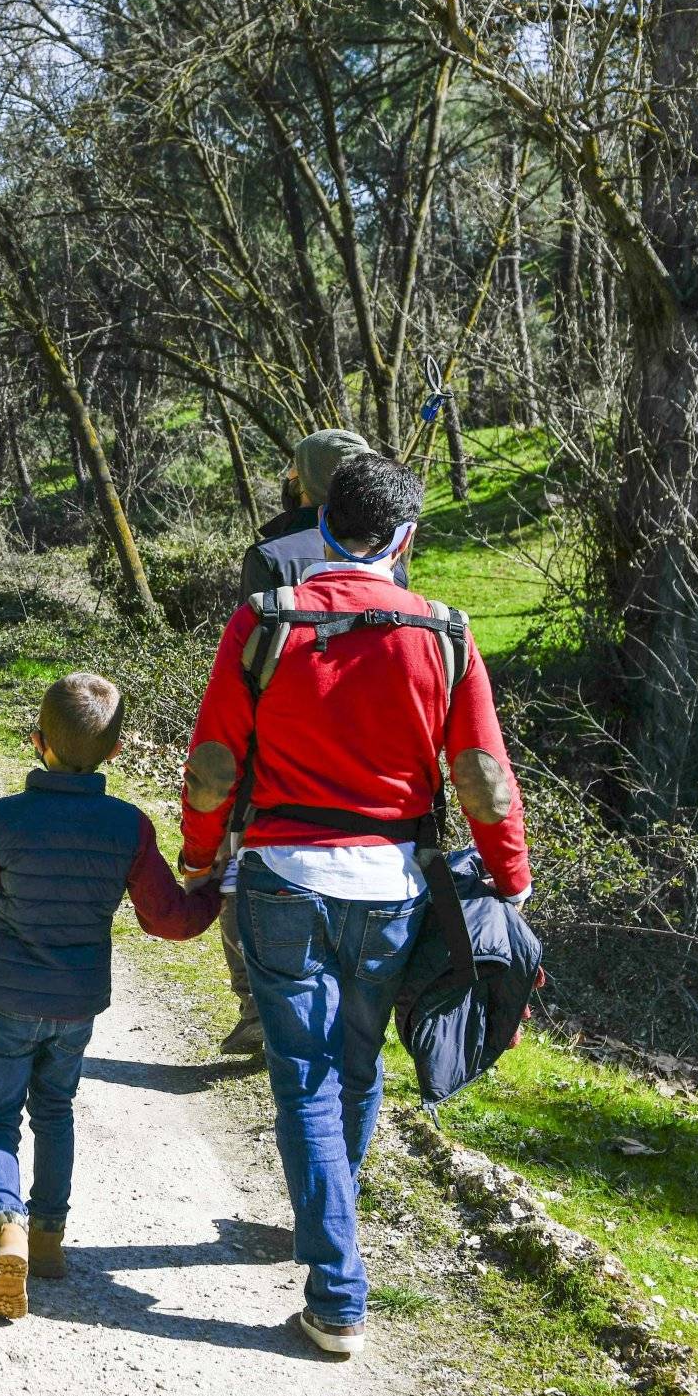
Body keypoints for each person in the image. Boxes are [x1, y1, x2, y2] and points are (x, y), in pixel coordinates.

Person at [178, 455, 529, 1359]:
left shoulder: (266, 620)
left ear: (320, 522)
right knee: (357, 1067)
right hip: (392, 887)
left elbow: (215, 759)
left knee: (302, 1075)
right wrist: (512, 877)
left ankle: (336, 1284)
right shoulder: (446, 633)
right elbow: (485, 780)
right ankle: (327, 1233)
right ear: (406, 539)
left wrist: (198, 852)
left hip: (281, 876)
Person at [0, 672, 220, 1321]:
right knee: (56, 1110)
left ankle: (6, 1221)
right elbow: (169, 919)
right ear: (118, 750)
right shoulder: (127, 826)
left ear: (36, 741)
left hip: (6, 995)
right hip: (76, 1005)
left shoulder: (7, 816)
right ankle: (46, 1238)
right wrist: (218, 883)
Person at [214, 429, 415, 1059]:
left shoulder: (271, 550)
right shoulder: (390, 549)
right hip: (372, 747)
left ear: (306, 478)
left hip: (278, 738)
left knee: (242, 863)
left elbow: (247, 649)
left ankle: (257, 1000)